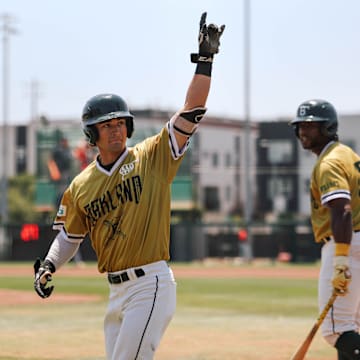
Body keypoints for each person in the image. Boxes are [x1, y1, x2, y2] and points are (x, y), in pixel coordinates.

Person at [33, 12, 225, 360]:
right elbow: (69, 237)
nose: (116, 130)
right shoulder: (80, 186)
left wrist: (205, 61)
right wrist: (48, 264)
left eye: (121, 123)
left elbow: (191, 110)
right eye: (106, 126)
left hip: (150, 284)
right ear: (92, 135)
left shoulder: (151, 156)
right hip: (116, 292)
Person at [290, 99, 360, 359]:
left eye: (311, 126)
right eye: (300, 126)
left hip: (346, 243)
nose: (303, 132)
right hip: (355, 242)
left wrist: (341, 260)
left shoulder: (329, 163)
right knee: (352, 326)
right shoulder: (347, 153)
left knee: (336, 331)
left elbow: (342, 209)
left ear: (328, 127)